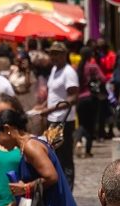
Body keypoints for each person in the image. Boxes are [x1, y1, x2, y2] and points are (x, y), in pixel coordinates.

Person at [37, 42, 78, 188]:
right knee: (54, 156)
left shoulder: (68, 72)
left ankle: (67, 189)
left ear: (64, 55)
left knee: (65, 157)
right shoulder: (54, 70)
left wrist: (51, 109)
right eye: (51, 53)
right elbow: (54, 94)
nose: (52, 56)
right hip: (53, 120)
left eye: (56, 53)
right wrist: (43, 106)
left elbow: (73, 98)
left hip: (64, 121)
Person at [75, 47, 106, 158]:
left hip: (79, 99)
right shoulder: (92, 66)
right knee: (90, 125)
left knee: (81, 124)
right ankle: (88, 151)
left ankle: (78, 141)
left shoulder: (78, 68)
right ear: (90, 55)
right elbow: (103, 78)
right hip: (91, 98)